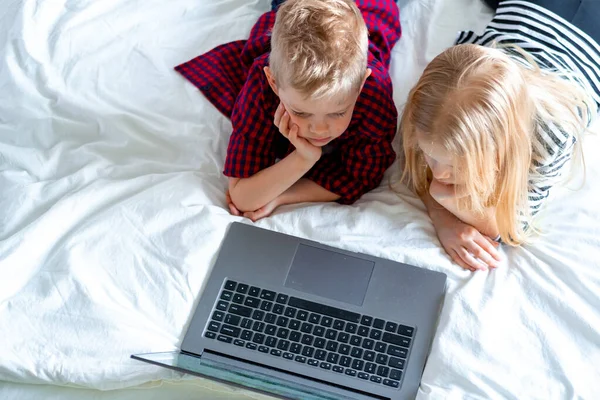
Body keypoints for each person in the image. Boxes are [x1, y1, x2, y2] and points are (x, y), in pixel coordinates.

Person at [400, 0, 600, 271]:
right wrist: (442, 218)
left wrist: (444, 198)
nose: (439, 174)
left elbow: (511, 228)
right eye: (430, 156)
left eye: (456, 166)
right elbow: (411, 157)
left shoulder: (551, 136)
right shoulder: (433, 107)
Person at [176, 0, 401, 221]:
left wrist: (282, 196)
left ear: (361, 84)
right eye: (301, 112)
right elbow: (243, 198)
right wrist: (303, 159)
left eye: (338, 112)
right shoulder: (262, 84)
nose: (319, 129)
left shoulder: (373, 92)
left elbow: (363, 175)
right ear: (273, 83)